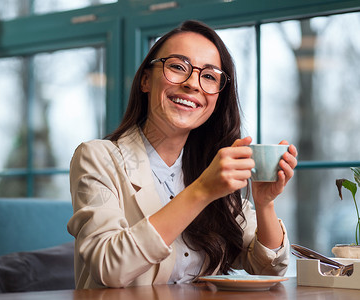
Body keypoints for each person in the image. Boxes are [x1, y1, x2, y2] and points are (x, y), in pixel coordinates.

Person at [67, 20, 298, 289]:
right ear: (145, 80)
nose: (193, 84)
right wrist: (201, 191)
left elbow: (268, 268)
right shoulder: (97, 158)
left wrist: (264, 203)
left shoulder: (209, 166)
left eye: (209, 76)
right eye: (177, 67)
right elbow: (108, 267)